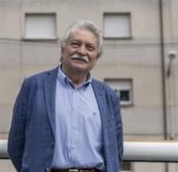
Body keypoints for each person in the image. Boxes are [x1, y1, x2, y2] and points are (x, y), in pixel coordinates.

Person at [8, 20, 123, 172]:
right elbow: (16, 143)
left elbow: (116, 149)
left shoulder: (108, 96)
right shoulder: (34, 86)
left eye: (90, 47)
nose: (82, 51)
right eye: (75, 44)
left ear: (96, 57)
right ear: (63, 50)